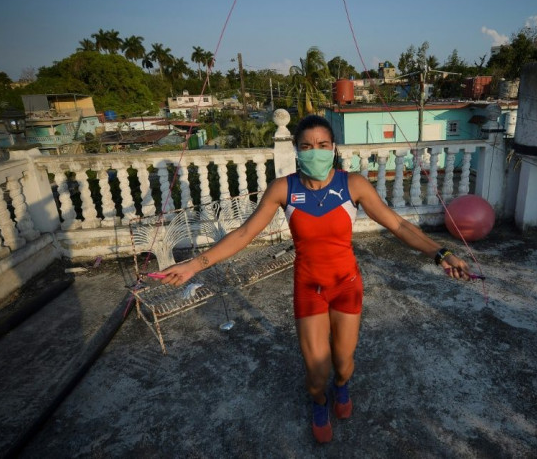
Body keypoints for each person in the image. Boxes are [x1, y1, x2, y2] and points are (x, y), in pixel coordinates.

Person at [160, 114, 471, 443]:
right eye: (306, 146)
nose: (315, 152)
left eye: (322, 145)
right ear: (296, 150)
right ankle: (319, 400)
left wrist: (442, 254)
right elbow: (244, 233)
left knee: (343, 363)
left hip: (347, 285)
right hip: (309, 289)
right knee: (315, 374)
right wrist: (195, 265)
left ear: (333, 148)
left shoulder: (353, 185)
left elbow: (398, 225)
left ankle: (342, 387)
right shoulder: (284, 188)